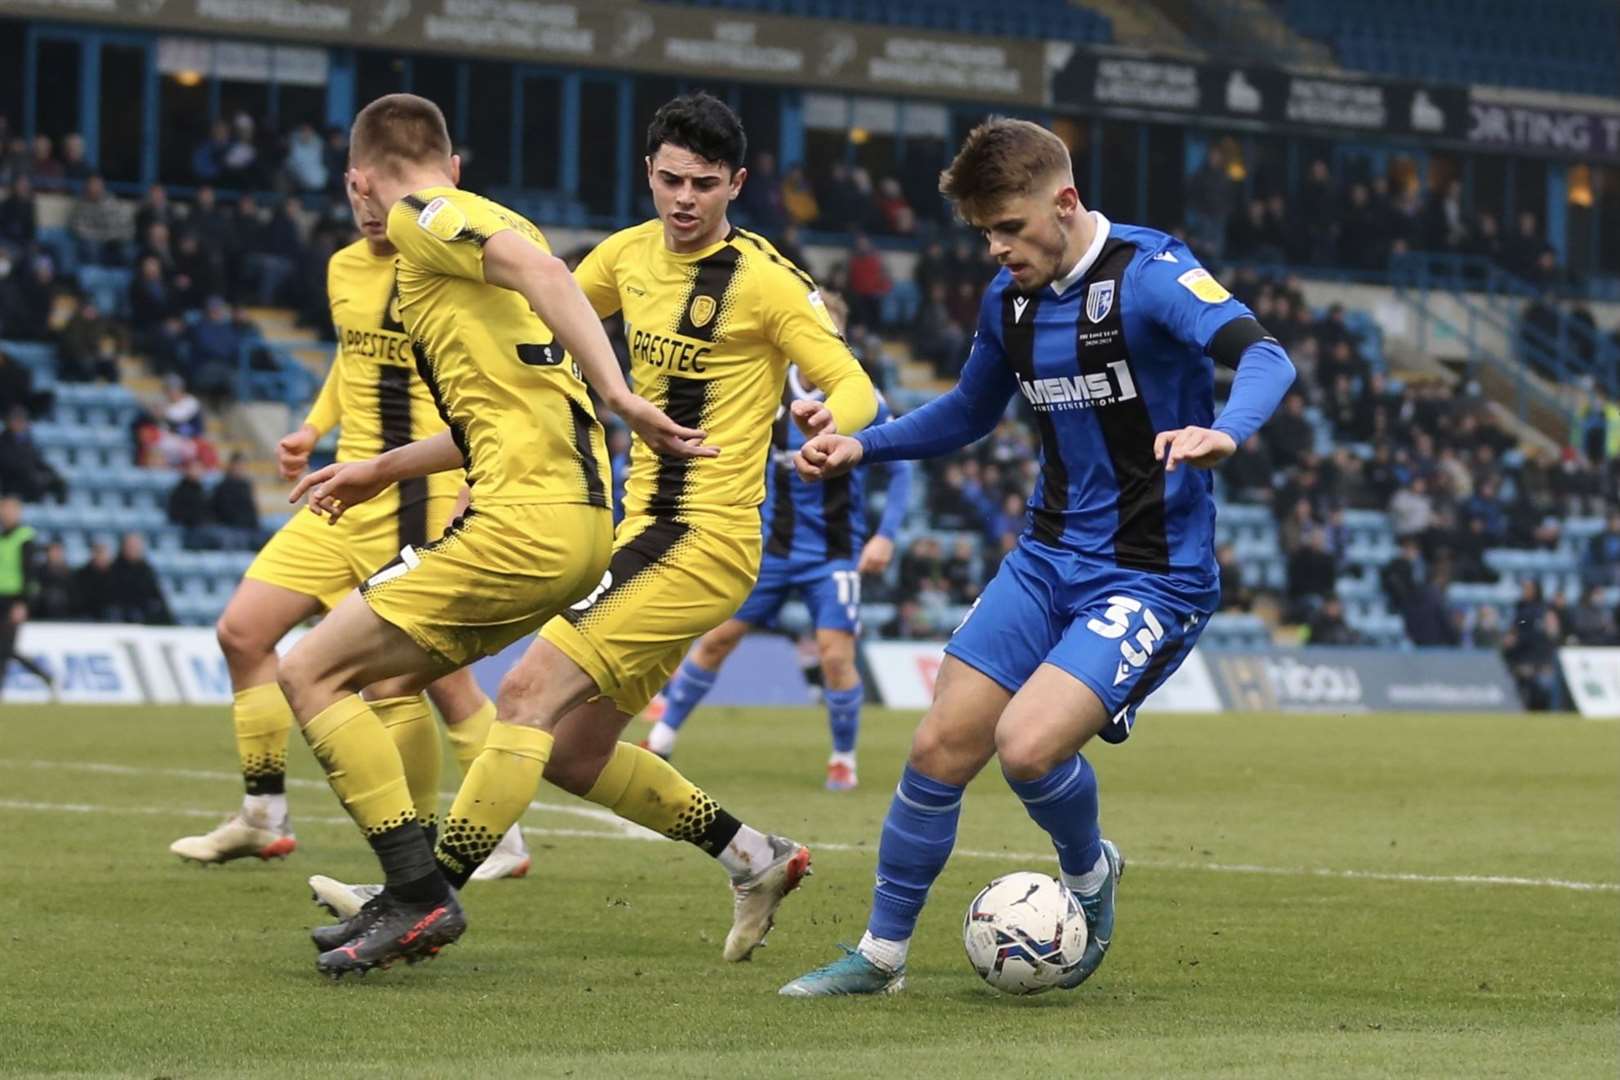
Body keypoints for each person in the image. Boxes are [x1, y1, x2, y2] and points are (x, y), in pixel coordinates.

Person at [293, 92, 876, 977]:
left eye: (705, 185)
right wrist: (417, 463)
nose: (684, 199)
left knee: (524, 694)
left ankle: (419, 896)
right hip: (633, 529)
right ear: (648, 173)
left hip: (706, 536)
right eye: (671, 179)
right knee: (572, 754)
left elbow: (851, 380)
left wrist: (837, 423)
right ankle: (755, 857)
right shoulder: (623, 259)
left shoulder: (766, 279)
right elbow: (541, 375)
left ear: (738, 185)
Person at [781, 118, 1295, 997]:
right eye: (984, 233)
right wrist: (865, 446)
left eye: (1010, 229)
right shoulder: (1007, 302)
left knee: (1024, 748)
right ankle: (880, 957)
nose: (996, 250)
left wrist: (1226, 432)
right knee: (941, 742)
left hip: (1152, 573)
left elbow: (1264, 356)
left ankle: (1090, 877)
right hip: (1046, 558)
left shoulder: (1153, 272)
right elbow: (969, 412)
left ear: (1064, 202)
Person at [264, 92, 714, 976]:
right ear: (456, 160)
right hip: (578, 527)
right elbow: (502, 400)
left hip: (521, 522)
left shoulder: (422, 216)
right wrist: (377, 468)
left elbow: (548, 280)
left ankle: (418, 892)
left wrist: (622, 392)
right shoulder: (489, 221)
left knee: (306, 668)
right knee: (397, 682)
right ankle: (411, 893)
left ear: (359, 181)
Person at [167, 170, 535, 880]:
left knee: (430, 684)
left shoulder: (442, 262)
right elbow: (351, 355)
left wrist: (473, 483)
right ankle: (264, 815)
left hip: (413, 492)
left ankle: (488, 840)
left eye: (384, 195)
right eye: (361, 196)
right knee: (243, 633)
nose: (372, 211)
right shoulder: (341, 266)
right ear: (350, 186)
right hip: (341, 491)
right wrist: (312, 427)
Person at [642, 335, 913, 789]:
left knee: (834, 654)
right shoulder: (768, 387)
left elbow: (901, 466)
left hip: (833, 555)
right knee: (717, 639)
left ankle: (843, 757)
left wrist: (885, 536)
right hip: (770, 549)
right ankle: (662, 737)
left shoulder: (862, 398)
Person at [0, 497, 53, 699]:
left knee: (5, 649)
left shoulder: (25, 538)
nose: (5, 514)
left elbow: (30, 574)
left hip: (13, 599)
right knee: (6, 649)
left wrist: (23, 603)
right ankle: (44, 676)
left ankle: (42, 675)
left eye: (9, 510)